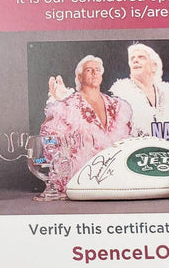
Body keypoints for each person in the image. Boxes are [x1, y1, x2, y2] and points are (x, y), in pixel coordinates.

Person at [41, 55, 132, 189]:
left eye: (98, 70)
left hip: (114, 180)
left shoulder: (117, 106)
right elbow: (48, 139)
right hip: (81, 180)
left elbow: (128, 141)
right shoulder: (68, 105)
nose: (94, 73)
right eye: (89, 70)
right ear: (80, 77)